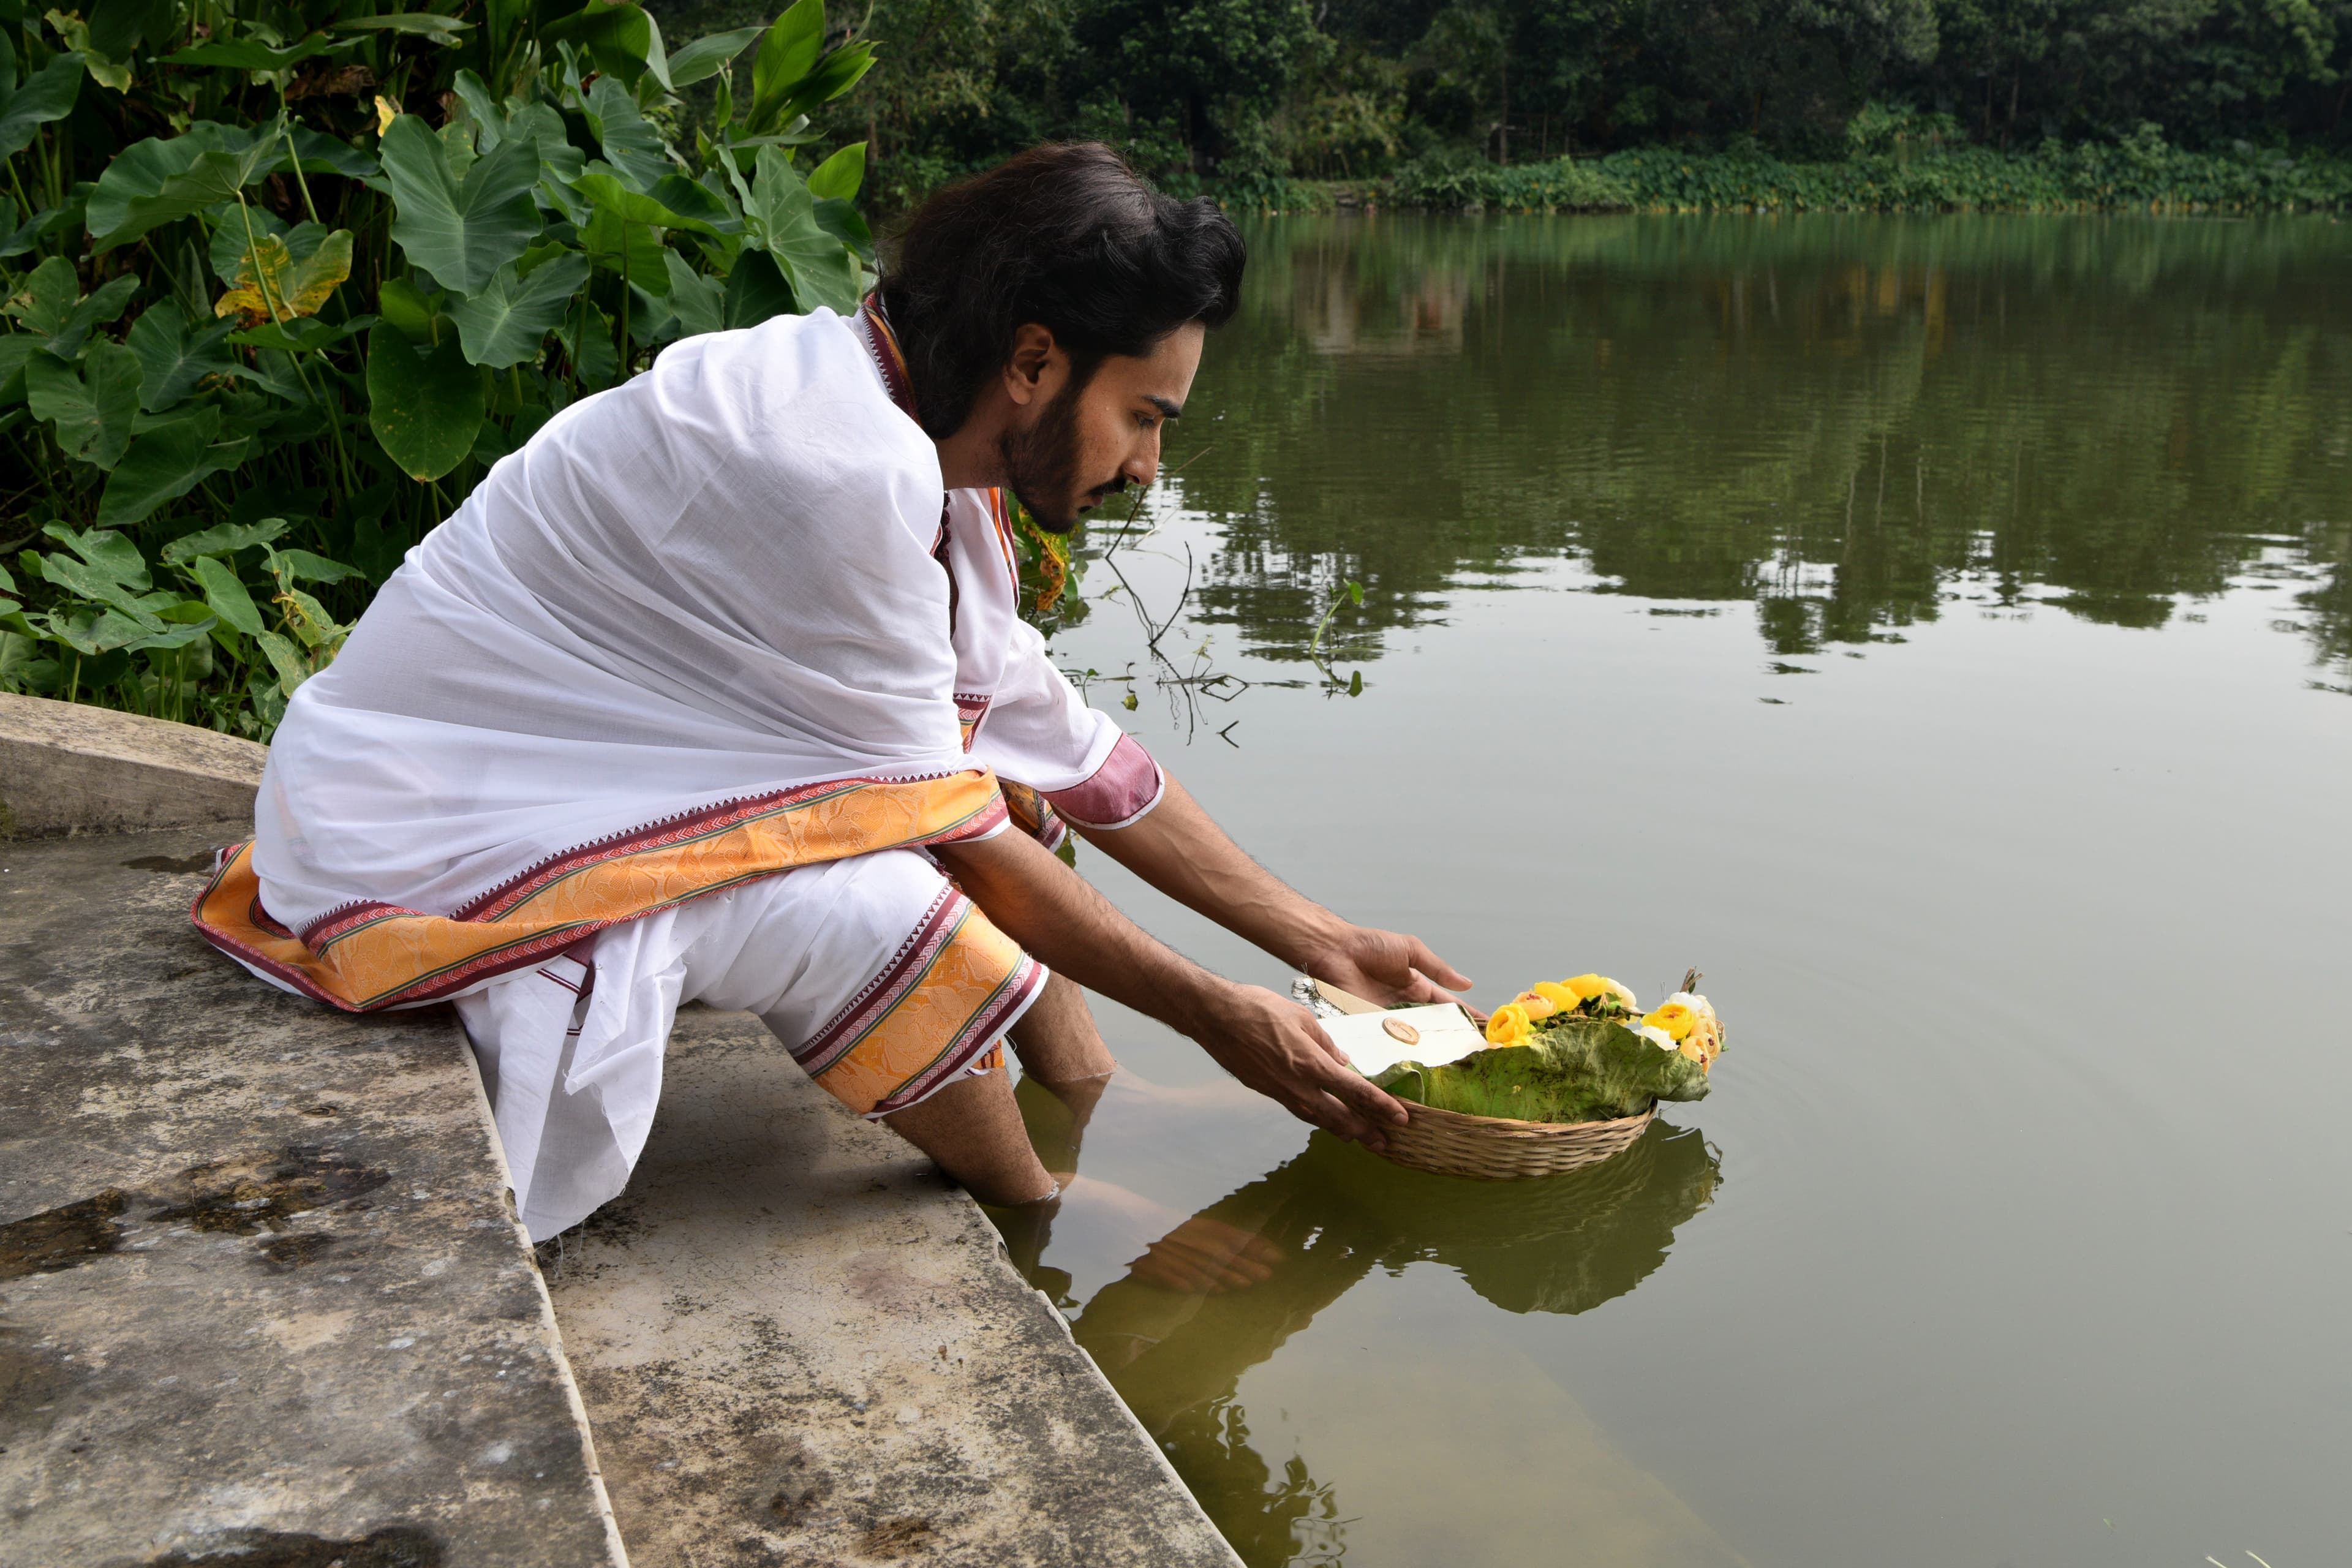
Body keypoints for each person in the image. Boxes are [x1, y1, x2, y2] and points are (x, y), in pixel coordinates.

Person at [192, 142, 1471, 1242]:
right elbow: (956, 842)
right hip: (423, 822)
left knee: (1002, 795)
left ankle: (1096, 1091)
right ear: (1034, 361)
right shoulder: (840, 469)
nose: (1147, 467)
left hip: (510, 770)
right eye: (1145, 415)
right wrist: (1220, 1014)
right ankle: (1044, 1203)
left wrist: (1317, 942)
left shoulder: (895, 418)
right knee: (877, 896)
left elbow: (1057, 740)